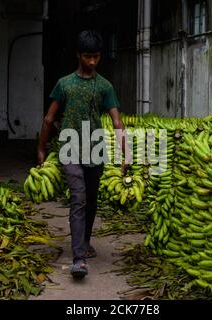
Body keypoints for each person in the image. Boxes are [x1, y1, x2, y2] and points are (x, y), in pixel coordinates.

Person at [37, 30, 129, 278]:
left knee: (90, 200)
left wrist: (125, 155)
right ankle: (78, 259)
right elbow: (49, 118)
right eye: (87, 56)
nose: (92, 61)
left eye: (96, 57)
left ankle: (85, 243)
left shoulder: (105, 86)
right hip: (69, 147)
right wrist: (41, 148)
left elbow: (117, 122)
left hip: (95, 149)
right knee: (78, 198)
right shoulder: (64, 84)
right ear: (78, 55)